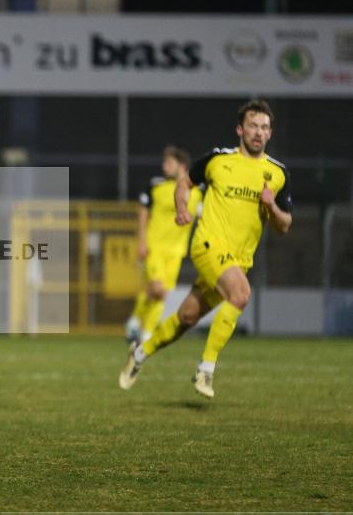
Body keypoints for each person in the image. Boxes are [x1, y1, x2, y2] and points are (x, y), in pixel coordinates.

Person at [119, 99, 292, 399]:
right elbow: (184, 183)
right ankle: (206, 369)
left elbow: (284, 225)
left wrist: (271, 206)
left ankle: (140, 354)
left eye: (264, 127)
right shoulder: (217, 160)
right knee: (241, 294)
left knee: (186, 317)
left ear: (270, 134)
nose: (258, 132)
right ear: (240, 129)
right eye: (253, 125)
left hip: (238, 260)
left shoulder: (278, 174)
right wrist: (181, 207)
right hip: (208, 245)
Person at [124, 145, 203, 345]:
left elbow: (206, 215)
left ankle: (143, 332)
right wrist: (142, 241)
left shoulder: (197, 191)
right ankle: (140, 326)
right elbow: (143, 213)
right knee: (158, 289)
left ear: (182, 166)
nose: (164, 166)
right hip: (154, 247)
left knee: (160, 294)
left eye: (169, 163)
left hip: (176, 251)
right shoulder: (156, 185)